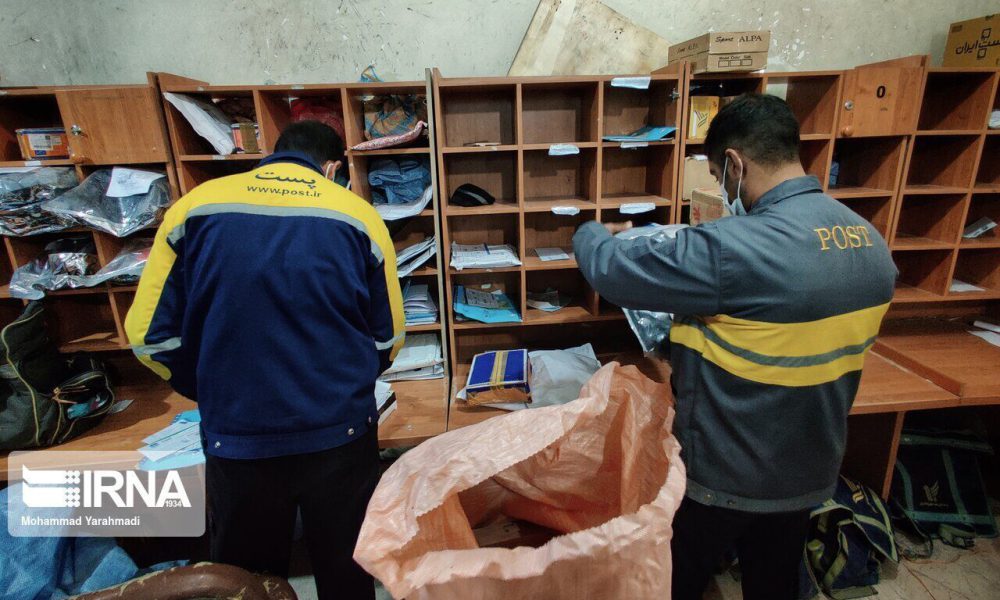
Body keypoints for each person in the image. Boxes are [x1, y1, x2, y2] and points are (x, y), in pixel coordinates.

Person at [573, 94, 897, 600]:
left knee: (674, 580)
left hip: (726, 474)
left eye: (716, 176)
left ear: (734, 163)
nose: (721, 190)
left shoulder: (731, 247)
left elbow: (609, 271)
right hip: (807, 469)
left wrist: (591, 232)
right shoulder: (870, 242)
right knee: (773, 579)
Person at [125, 120, 404, 600]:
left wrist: (209, 386)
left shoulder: (195, 206)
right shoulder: (358, 216)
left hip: (238, 438)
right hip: (340, 434)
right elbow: (388, 338)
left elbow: (147, 336)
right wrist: (346, 385)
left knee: (247, 582)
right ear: (332, 168)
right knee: (348, 572)